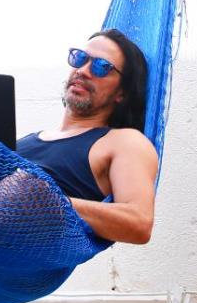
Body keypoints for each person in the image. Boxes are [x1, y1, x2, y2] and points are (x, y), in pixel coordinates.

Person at [15, 29, 159, 244]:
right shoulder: (26, 140)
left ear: (122, 93)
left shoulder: (123, 141)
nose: (82, 71)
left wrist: (51, 202)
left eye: (101, 67)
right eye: (80, 58)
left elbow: (139, 224)